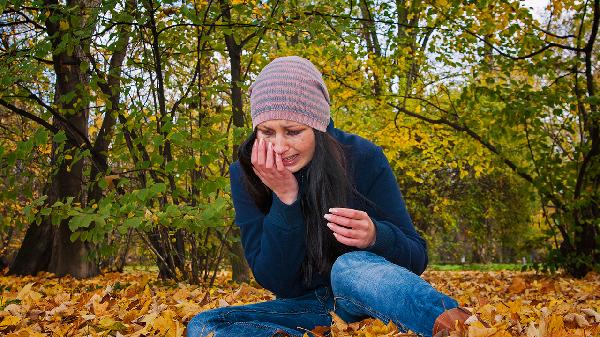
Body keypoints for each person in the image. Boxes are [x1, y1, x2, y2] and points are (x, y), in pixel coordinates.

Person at [186, 56, 473, 337]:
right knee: (205, 326)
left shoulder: (363, 156)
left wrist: (376, 236)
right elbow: (277, 282)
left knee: (348, 266)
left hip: (366, 295)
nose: (280, 146)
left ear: (319, 125)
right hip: (308, 309)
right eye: (266, 132)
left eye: (293, 131)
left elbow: (416, 256)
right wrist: (286, 199)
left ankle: (463, 330)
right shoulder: (246, 173)